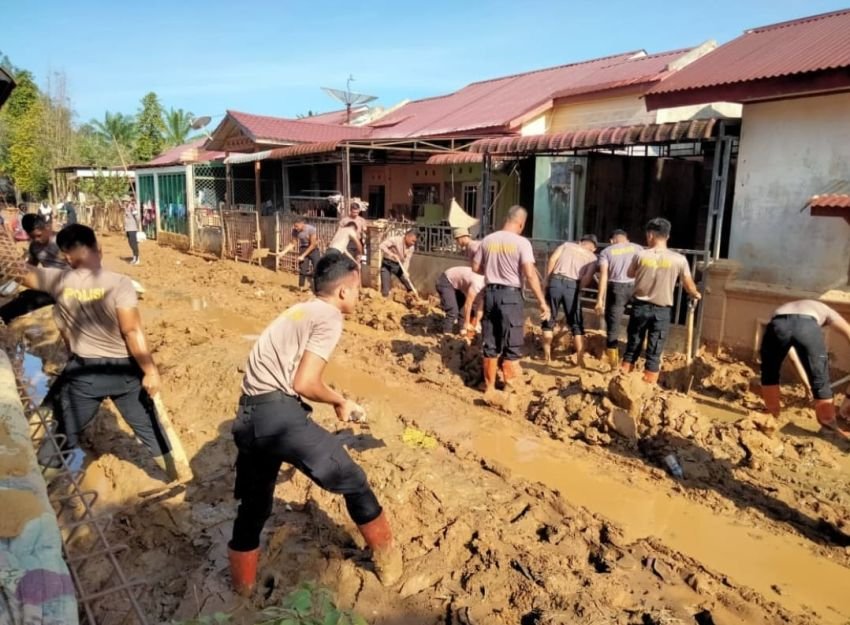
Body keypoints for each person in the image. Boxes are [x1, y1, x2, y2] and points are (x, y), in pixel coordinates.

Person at [227, 254, 402, 597]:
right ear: (343, 292)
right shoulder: (329, 316)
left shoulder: (300, 310)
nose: (359, 298)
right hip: (278, 416)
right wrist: (339, 401)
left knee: (254, 506)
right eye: (358, 291)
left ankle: (242, 594)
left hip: (248, 417)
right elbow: (304, 383)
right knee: (352, 479)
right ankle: (388, 562)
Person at [16, 225, 176, 479]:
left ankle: (40, 490)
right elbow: (132, 332)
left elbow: (19, 272)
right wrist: (150, 371)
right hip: (124, 373)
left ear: (67, 256)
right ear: (97, 247)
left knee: (65, 432)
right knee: (149, 426)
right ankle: (176, 474)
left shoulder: (57, 280)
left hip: (86, 374)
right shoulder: (120, 284)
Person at [472, 205, 550, 392]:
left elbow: (475, 268)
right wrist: (541, 302)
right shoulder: (522, 243)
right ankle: (510, 388)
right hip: (510, 296)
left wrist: (491, 272)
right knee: (512, 341)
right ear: (521, 224)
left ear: (506, 219)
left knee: (490, 342)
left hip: (490, 293)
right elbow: (530, 274)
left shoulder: (487, 240)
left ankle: (489, 387)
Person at [620, 218, 701, 383]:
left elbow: (629, 274)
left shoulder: (640, 255)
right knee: (654, 351)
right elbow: (689, 285)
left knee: (632, 346)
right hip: (661, 311)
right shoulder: (679, 259)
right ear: (667, 236)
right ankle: (648, 388)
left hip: (639, 308)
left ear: (650, 235)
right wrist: (696, 294)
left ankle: (622, 381)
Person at [760, 300, 850, 437]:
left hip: (777, 325)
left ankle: (770, 415)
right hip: (806, 326)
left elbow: (793, 358)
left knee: (769, 373)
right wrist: (811, 385)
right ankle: (829, 428)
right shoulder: (828, 312)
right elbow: (848, 332)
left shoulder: (786, 309)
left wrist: (807, 386)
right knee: (820, 380)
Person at [0, 214, 69, 324]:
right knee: (23, 297)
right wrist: (10, 285)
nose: (37, 240)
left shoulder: (63, 241)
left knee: (32, 299)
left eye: (39, 235)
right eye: (32, 237)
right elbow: (30, 269)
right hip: (49, 285)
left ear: (47, 228)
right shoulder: (34, 247)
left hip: (69, 284)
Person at [541, 234, 598, 365]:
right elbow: (587, 277)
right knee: (577, 325)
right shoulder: (592, 257)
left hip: (555, 281)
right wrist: (578, 288)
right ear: (594, 248)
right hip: (572, 285)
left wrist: (547, 278)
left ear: (580, 242)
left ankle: (547, 357)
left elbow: (552, 260)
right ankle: (580, 360)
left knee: (548, 318)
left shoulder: (566, 245)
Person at [595, 229, 642, 368]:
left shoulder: (607, 251)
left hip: (617, 289)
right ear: (627, 239)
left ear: (612, 240)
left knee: (613, 326)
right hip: (636, 287)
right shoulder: (638, 248)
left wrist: (600, 300)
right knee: (636, 325)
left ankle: (614, 364)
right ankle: (630, 361)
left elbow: (603, 276)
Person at [436, 265, 485, 335]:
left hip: (458, 285)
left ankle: (463, 331)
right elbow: (468, 304)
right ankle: (446, 334)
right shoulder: (478, 284)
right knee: (453, 310)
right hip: (446, 280)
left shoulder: (486, 289)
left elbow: (480, 308)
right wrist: (467, 323)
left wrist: (477, 323)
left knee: (463, 311)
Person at [379, 229, 418, 297]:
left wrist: (405, 271)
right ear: (407, 236)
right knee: (385, 291)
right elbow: (381, 246)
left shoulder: (411, 247)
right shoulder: (395, 240)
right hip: (387, 264)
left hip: (397, 266)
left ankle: (414, 298)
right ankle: (385, 299)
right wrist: (391, 254)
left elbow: (407, 260)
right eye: (413, 241)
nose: (413, 243)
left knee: (408, 283)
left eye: (415, 242)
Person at [286, 218, 320, 291]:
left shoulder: (311, 229)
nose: (295, 228)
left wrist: (303, 255)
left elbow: (313, 244)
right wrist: (283, 252)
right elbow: (293, 243)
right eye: (294, 226)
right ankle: (301, 288)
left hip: (313, 249)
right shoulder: (295, 231)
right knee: (303, 269)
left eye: (297, 226)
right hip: (303, 248)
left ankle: (318, 289)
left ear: (302, 223)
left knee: (317, 269)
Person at [123, 196, 141, 265]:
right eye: (123, 201)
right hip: (128, 229)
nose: (124, 202)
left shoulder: (132, 207)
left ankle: (137, 258)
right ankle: (134, 258)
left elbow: (137, 217)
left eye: (125, 201)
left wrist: (138, 226)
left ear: (128, 201)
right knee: (130, 244)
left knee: (134, 244)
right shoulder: (126, 208)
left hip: (132, 229)